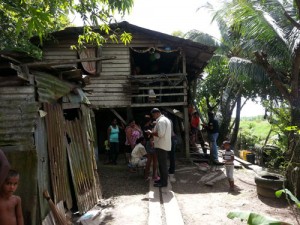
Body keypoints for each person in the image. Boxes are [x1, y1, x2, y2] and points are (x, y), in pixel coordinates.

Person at [146, 108, 171, 188]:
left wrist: (151, 133)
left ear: (157, 113)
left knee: (162, 165)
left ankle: (164, 183)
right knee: (161, 164)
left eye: (153, 115)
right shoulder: (165, 120)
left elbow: (160, 134)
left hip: (161, 146)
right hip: (162, 145)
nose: (153, 117)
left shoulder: (161, 121)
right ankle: (162, 180)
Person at [142, 115, 159, 181]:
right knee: (155, 161)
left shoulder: (144, 127)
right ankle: (154, 176)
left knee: (148, 161)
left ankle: (146, 176)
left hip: (147, 144)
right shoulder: (150, 127)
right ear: (149, 120)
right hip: (152, 143)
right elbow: (152, 136)